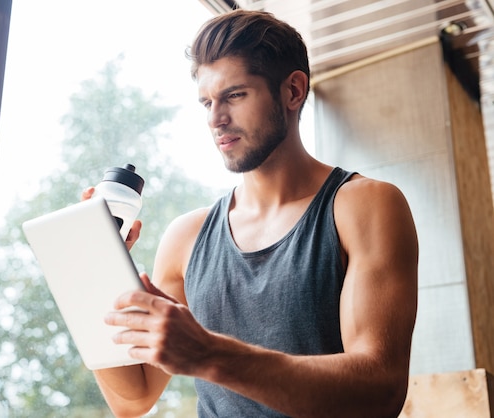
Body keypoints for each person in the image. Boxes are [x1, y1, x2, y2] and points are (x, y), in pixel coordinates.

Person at [84, 9, 418, 418]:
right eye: (206, 102)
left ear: (293, 91)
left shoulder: (363, 206)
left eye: (234, 95)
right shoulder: (186, 237)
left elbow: (379, 391)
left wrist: (211, 355)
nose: (215, 118)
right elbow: (133, 398)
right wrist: (93, 273)